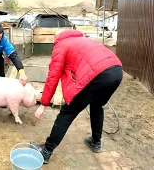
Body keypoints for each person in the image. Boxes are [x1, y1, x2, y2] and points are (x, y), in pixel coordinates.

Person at [31, 30, 123, 164]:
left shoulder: (61, 45)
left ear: (56, 38)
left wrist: (44, 104)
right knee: (97, 106)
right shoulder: (83, 39)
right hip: (116, 71)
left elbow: (53, 76)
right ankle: (96, 142)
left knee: (68, 112)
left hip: (96, 74)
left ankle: (46, 151)